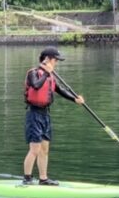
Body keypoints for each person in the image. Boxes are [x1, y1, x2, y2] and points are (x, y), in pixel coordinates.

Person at [22, 47, 84, 185]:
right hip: (34, 114)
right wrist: (45, 73)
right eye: (55, 60)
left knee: (44, 148)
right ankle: (27, 179)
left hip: (45, 114)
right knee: (35, 149)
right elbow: (36, 86)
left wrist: (75, 99)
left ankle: (43, 179)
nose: (56, 63)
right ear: (48, 59)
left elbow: (59, 90)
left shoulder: (50, 76)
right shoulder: (33, 73)